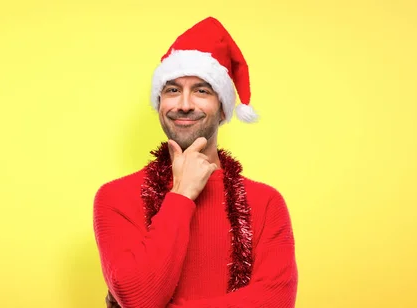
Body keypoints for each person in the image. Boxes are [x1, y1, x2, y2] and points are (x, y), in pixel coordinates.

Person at [93, 16, 298, 308]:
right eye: (173, 90)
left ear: (222, 107)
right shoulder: (114, 198)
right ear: (160, 102)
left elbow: (275, 301)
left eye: (201, 90)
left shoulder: (265, 202)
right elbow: (139, 298)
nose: (185, 104)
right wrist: (182, 194)